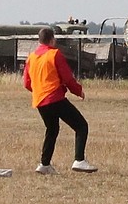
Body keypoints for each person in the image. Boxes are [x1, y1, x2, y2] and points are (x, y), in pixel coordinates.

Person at [24, 27, 95, 174]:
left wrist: (38, 90)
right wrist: (78, 91)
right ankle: (79, 160)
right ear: (52, 40)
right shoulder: (54, 54)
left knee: (52, 130)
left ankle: (44, 164)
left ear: (39, 40)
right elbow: (67, 78)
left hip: (40, 101)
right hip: (54, 97)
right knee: (81, 126)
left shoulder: (31, 57)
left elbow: (26, 83)